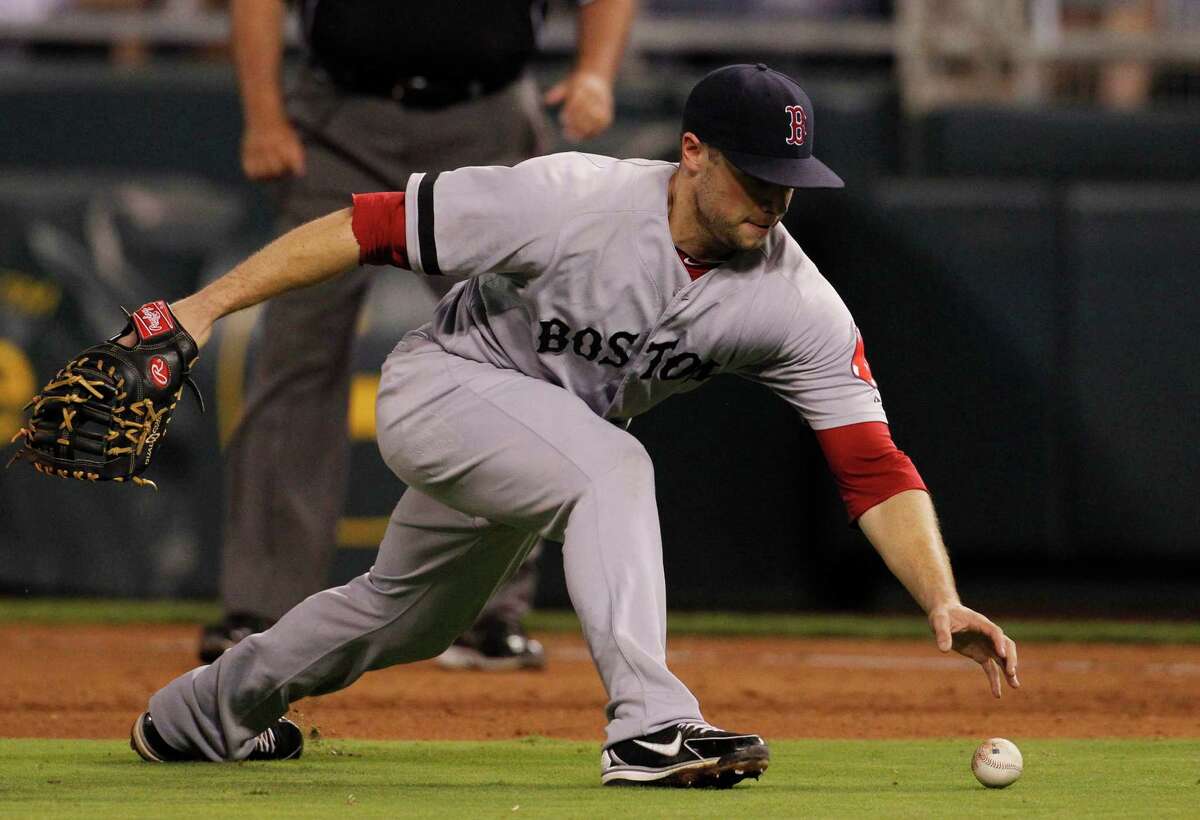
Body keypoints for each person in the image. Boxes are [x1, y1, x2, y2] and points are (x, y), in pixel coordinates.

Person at [130, 64, 1020, 787]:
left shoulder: (794, 303)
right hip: (447, 387)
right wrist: (202, 311)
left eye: (791, 182)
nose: (775, 201)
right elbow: (369, 226)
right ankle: (650, 725)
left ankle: (200, 715)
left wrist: (938, 596)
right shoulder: (567, 200)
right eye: (757, 176)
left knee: (406, 619)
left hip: (540, 443)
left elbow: (871, 465)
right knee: (613, 466)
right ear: (693, 154)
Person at [199, 0, 635, 670]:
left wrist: (596, 72)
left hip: (488, 119)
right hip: (341, 117)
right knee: (296, 359)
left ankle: (487, 614)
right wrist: (263, 114)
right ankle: (260, 613)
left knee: (518, 370)